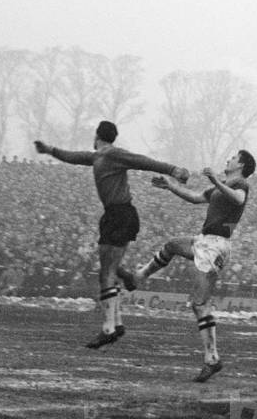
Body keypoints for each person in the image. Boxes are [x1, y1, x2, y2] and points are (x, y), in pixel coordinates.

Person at [34, 121, 189, 349]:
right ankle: (117, 319)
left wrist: (173, 170)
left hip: (120, 215)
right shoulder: (98, 156)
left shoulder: (112, 154)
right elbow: (74, 156)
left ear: (97, 135)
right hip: (116, 215)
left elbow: (142, 161)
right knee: (109, 268)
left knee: (105, 272)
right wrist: (50, 150)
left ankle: (109, 328)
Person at [120, 150, 256, 383]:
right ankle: (138, 278)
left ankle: (212, 359)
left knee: (199, 303)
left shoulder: (240, 183)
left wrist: (214, 180)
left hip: (216, 245)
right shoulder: (220, 186)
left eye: (233, 157)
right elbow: (194, 197)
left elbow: (238, 199)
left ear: (241, 165)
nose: (228, 159)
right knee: (172, 245)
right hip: (204, 241)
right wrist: (170, 185)